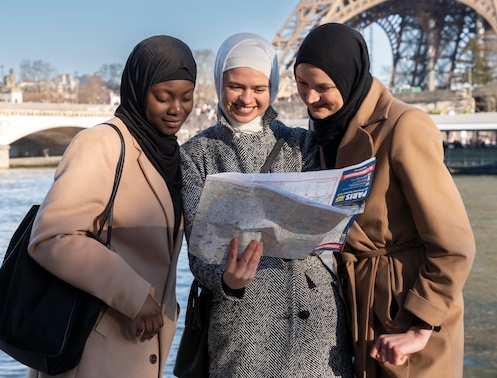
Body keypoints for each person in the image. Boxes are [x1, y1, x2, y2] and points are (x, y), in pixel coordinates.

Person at [293, 23, 476, 378]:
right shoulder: (330, 129)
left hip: (410, 313)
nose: (311, 98)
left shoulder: (405, 126)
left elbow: (455, 244)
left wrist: (421, 328)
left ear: (349, 78)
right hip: (358, 308)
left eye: (323, 87)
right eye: (302, 84)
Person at [180, 32, 354, 378]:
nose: (247, 99)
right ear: (218, 84)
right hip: (241, 319)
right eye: (235, 87)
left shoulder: (303, 142)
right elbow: (198, 257)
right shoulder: (195, 155)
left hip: (312, 317)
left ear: (272, 88)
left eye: (259, 89)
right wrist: (228, 279)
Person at [26, 35, 197, 378]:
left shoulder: (173, 157)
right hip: (91, 348)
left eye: (187, 97)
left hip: (140, 347)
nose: (176, 109)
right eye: (163, 97)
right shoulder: (102, 144)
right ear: (137, 89)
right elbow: (51, 237)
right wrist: (134, 294)